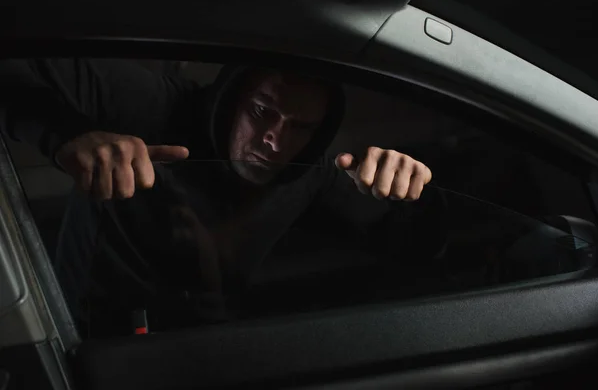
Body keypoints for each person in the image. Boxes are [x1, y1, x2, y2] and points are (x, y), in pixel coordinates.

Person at [0, 59, 444, 333]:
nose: (274, 139)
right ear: (233, 97)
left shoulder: (311, 173)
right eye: (261, 112)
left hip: (208, 344)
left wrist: (412, 188)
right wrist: (63, 141)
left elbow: (415, 246)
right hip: (86, 337)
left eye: (300, 126)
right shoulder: (150, 104)